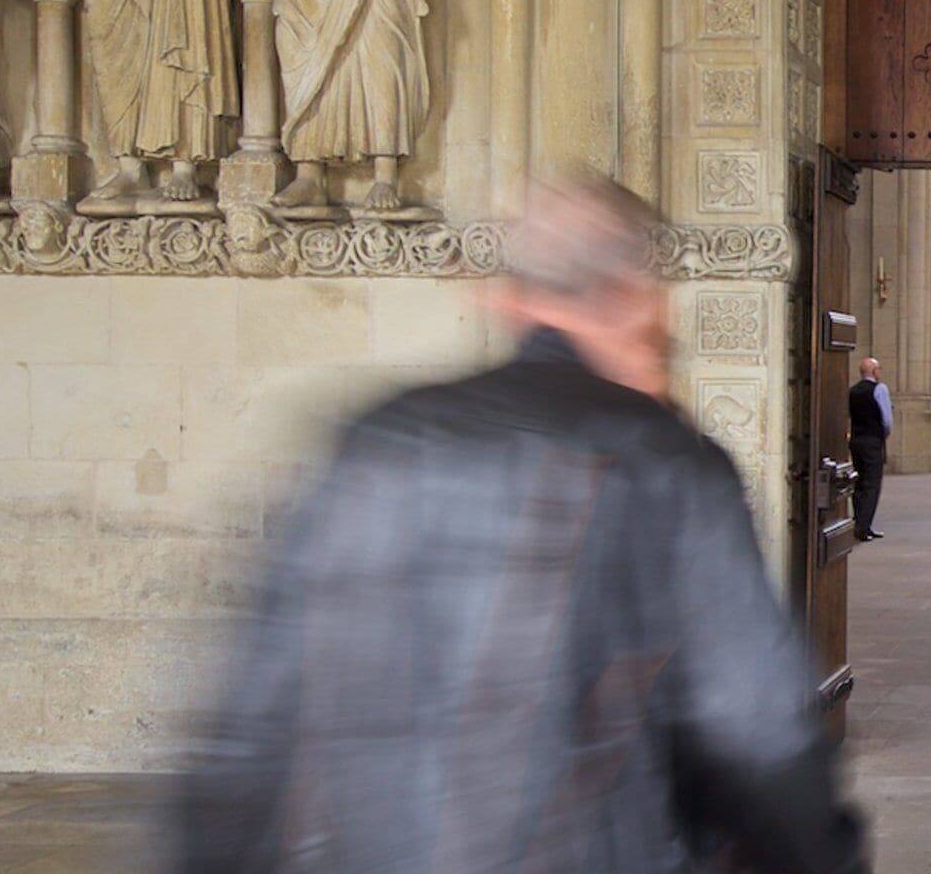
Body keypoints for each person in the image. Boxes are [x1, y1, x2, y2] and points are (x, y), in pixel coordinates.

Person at [174, 179, 866, 874]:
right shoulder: (664, 457)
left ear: (509, 299)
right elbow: (759, 724)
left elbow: (248, 739)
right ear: (632, 297)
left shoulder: (375, 441)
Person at [846, 357, 892, 541]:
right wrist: (883, 433)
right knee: (872, 483)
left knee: (859, 482)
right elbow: (886, 419)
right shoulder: (880, 389)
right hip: (872, 440)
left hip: (856, 440)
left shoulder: (853, 391)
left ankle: (859, 520)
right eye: (878, 368)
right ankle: (863, 527)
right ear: (873, 371)